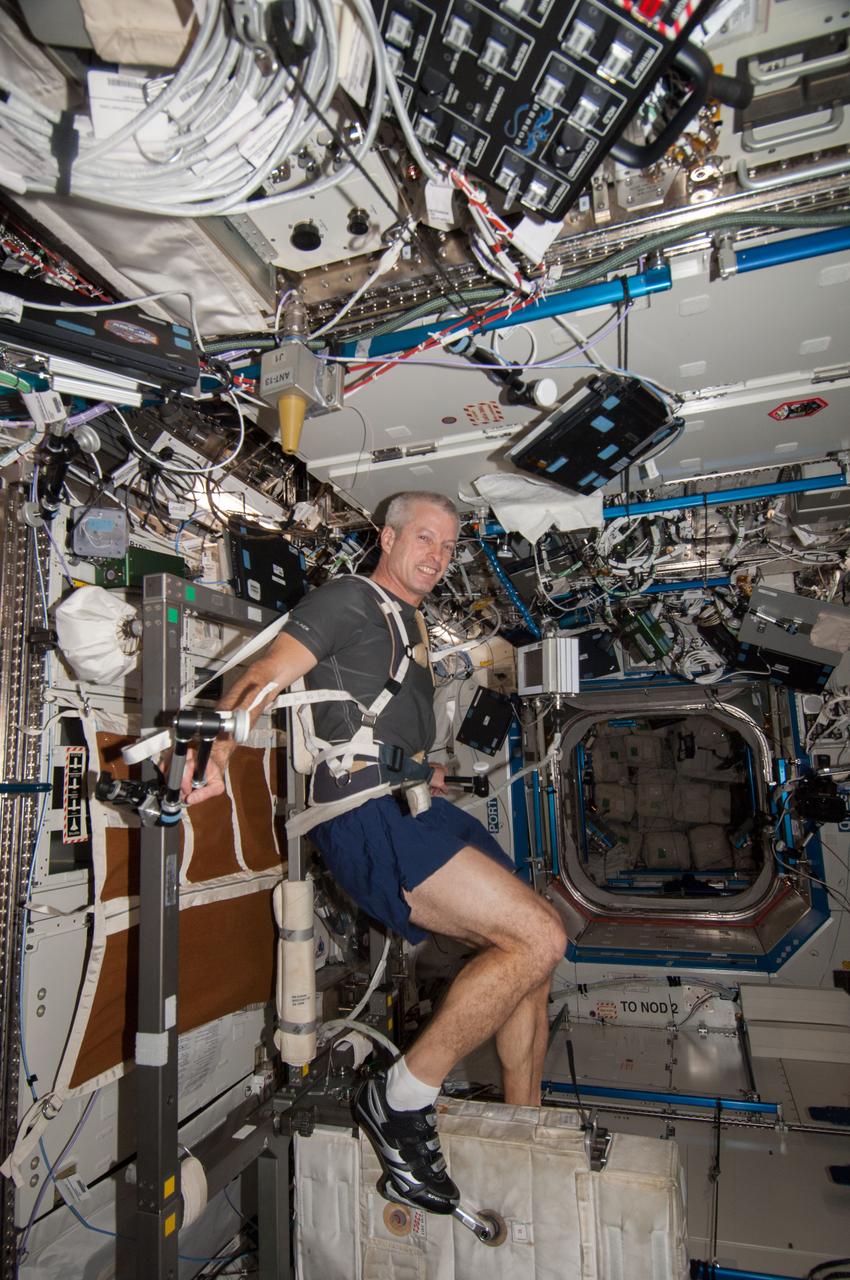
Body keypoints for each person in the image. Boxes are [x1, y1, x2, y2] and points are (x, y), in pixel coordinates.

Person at [181, 491, 567, 1214]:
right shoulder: (354, 598)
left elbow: (380, 718)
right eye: (425, 538)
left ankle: (525, 1124)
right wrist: (215, 745)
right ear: (387, 537)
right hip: (367, 813)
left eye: (448, 548)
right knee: (536, 937)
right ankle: (399, 1100)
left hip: (413, 800)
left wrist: (425, 766)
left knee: (539, 955)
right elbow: (266, 673)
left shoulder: (411, 622)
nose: (437, 556)